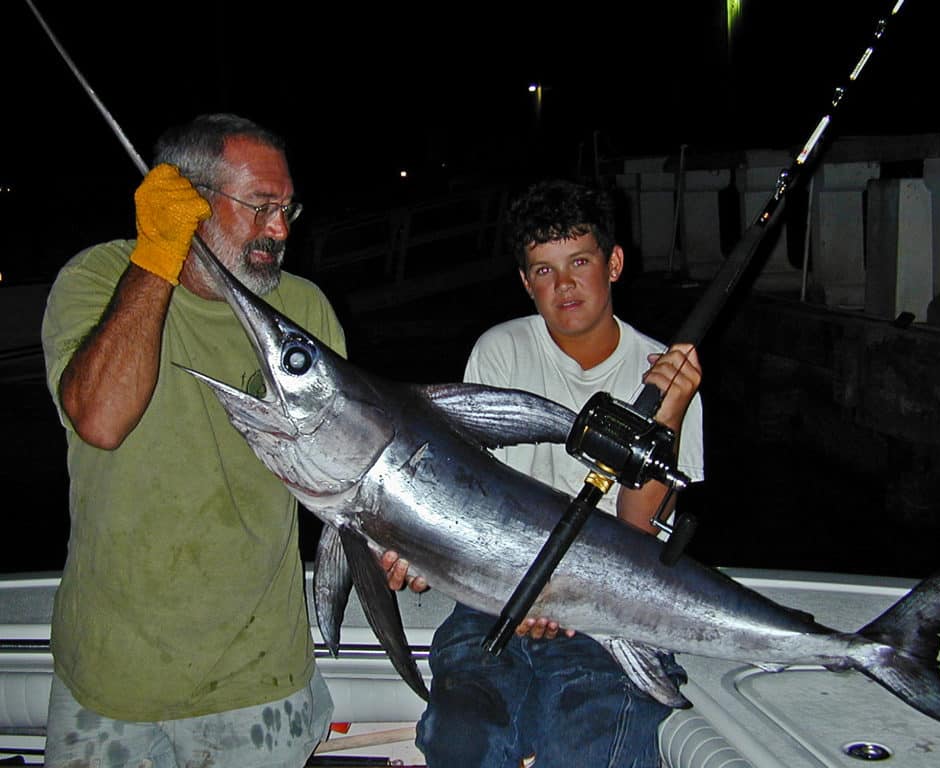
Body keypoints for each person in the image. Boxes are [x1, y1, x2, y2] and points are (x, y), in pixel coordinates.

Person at [40, 113, 346, 767]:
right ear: (187, 198)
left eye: (288, 206)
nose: (282, 229)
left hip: (257, 677)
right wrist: (157, 254)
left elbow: (341, 478)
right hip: (110, 677)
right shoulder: (96, 279)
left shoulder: (308, 312)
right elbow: (100, 420)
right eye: (261, 207)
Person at [401, 178, 705, 767]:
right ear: (525, 281)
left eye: (580, 262)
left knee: (591, 746)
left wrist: (667, 416)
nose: (563, 284)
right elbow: (468, 495)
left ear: (613, 264)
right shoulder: (499, 350)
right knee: (459, 736)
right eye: (543, 270)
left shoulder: (669, 376)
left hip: (607, 611)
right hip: (493, 598)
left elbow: (637, 532)